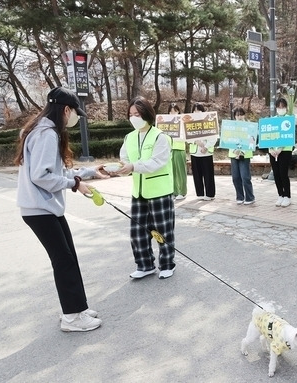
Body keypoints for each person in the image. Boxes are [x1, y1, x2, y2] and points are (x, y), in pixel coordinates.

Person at [14, 86, 107, 332]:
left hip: (44, 208)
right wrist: (75, 184)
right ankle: (72, 317)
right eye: (75, 112)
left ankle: (78, 307)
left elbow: (54, 172)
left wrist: (88, 173)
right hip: (39, 209)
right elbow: (42, 176)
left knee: (68, 257)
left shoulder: (41, 129)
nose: (75, 118)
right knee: (63, 261)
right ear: (66, 110)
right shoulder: (47, 134)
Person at [116, 96, 176, 280]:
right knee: (138, 232)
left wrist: (133, 166)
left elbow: (157, 162)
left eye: (138, 114)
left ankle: (167, 264)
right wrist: (121, 168)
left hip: (160, 192)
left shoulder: (160, 137)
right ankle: (145, 265)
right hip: (139, 192)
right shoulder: (130, 137)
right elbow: (124, 157)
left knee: (161, 230)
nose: (134, 117)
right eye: (131, 114)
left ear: (147, 114)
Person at [189, 102, 216, 200]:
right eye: (194, 110)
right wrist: (196, 141)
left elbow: (214, 137)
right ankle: (200, 193)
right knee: (197, 174)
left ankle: (210, 194)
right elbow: (186, 137)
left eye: (198, 110)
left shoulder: (209, 121)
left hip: (206, 152)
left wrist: (206, 146)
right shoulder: (190, 123)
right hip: (195, 153)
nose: (196, 112)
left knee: (208, 174)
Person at [228, 107, 255, 205]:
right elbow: (227, 140)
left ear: (244, 115)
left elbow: (252, 140)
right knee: (235, 177)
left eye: (241, 114)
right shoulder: (231, 127)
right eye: (237, 115)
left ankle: (250, 197)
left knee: (245, 177)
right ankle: (239, 196)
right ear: (235, 116)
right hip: (233, 154)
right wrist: (235, 150)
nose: (239, 117)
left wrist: (242, 151)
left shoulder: (249, 126)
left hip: (245, 154)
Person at [269, 98, 293, 207]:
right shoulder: (272, 119)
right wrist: (271, 149)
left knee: (283, 174)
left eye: (283, 107)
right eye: (279, 107)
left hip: (285, 151)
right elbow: (268, 136)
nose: (281, 109)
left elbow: (289, 136)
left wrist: (281, 148)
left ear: (286, 108)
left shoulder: (289, 119)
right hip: (273, 152)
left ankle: (287, 196)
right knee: (276, 174)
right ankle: (280, 195)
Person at [167, 103, 187, 201]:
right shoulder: (166, 123)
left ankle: (182, 192)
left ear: (178, 111)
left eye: (174, 111)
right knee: (172, 172)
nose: (172, 113)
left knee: (180, 172)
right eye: (170, 111)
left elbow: (185, 137)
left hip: (179, 148)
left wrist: (175, 137)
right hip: (169, 150)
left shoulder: (182, 122)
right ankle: (174, 191)